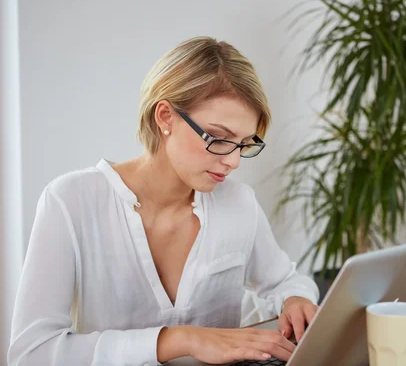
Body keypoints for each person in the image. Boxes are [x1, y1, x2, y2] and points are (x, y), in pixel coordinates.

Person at [8, 36, 319, 365]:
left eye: (244, 144)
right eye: (218, 138)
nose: (233, 162)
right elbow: (32, 353)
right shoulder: (71, 201)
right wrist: (180, 339)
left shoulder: (238, 203)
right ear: (166, 116)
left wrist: (295, 298)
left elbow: (284, 281)